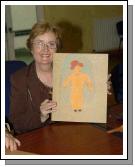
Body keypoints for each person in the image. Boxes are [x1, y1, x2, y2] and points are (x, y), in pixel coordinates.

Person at [9, 22, 111, 134]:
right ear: (31, 48)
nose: (45, 49)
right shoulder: (19, 79)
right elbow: (17, 124)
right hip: (38, 139)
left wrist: (99, 91)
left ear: (57, 48)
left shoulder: (69, 71)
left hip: (71, 133)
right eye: (39, 43)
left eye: (51, 44)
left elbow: (83, 103)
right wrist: (41, 115)